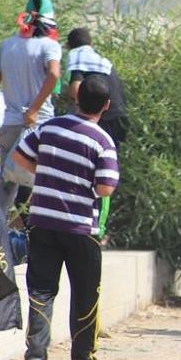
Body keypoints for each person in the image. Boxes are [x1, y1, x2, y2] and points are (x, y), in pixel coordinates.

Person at [11, 75, 119, 360]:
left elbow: (19, 157)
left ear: (76, 98)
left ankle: (35, 356)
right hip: (81, 229)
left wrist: (45, 173)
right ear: (106, 105)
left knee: (41, 291)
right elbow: (106, 188)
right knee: (85, 295)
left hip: (43, 222)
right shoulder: (102, 141)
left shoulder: (49, 127)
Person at [0, 0, 62, 215]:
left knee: (7, 184)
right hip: (41, 124)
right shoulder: (50, 46)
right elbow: (54, 74)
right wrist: (34, 109)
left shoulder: (6, 45)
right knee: (44, 181)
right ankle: (39, 230)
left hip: (10, 124)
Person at [63, 28, 128, 241]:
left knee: (97, 172)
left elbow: (75, 89)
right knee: (103, 171)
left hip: (104, 118)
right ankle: (98, 225)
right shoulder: (99, 58)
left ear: (69, 45)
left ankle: (96, 226)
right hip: (116, 117)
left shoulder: (76, 55)